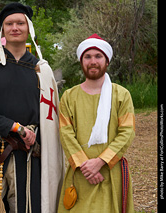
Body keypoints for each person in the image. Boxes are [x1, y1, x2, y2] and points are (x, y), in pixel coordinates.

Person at [0, 3, 65, 213]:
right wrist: (14, 127)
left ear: (29, 28)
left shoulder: (41, 71)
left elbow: (49, 118)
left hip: (28, 155)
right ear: (3, 30)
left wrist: (34, 136)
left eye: (20, 23)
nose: (15, 28)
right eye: (9, 24)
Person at [57, 34, 135, 212]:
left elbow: (127, 132)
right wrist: (86, 166)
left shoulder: (121, 95)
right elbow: (65, 133)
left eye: (98, 56)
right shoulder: (69, 97)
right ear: (81, 61)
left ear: (107, 61)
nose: (93, 61)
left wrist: (100, 162)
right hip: (80, 174)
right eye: (88, 56)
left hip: (110, 173)